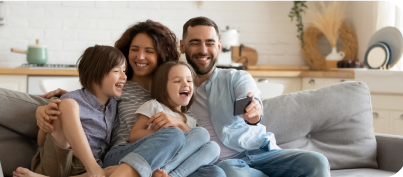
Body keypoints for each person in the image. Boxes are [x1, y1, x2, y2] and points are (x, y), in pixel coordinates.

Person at [37, 20, 226, 177]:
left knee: (215, 171)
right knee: (174, 135)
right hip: (125, 153)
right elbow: (87, 98)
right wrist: (43, 108)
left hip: (166, 159)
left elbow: (194, 138)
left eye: (149, 51)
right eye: (135, 49)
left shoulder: (172, 92)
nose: (140, 56)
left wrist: (178, 121)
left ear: (162, 55)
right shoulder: (119, 87)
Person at [178, 16, 331, 177]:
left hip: (261, 153)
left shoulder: (235, 77)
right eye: (195, 43)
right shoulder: (174, 86)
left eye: (210, 43)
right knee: (231, 171)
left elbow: (251, 98)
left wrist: (254, 111)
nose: (203, 50)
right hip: (227, 166)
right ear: (182, 46)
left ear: (219, 46)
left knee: (317, 161)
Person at [12, 45, 127, 177]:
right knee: (68, 105)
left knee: (124, 169)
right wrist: (45, 120)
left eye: (124, 71)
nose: (124, 76)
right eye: (117, 71)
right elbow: (41, 142)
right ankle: (93, 169)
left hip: (85, 171)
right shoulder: (70, 100)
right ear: (95, 73)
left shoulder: (115, 105)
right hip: (58, 161)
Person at [130, 61, 220, 177]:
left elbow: (198, 144)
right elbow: (133, 136)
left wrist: (180, 123)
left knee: (213, 147)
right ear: (163, 88)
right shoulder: (155, 106)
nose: (186, 84)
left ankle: (171, 175)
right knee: (201, 133)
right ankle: (161, 170)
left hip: (179, 166)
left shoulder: (191, 119)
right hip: (157, 157)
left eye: (189, 80)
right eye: (177, 81)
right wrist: (159, 133)